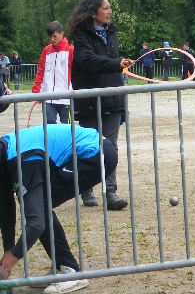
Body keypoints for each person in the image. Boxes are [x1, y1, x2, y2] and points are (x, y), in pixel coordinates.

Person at [0, 124, 117, 293]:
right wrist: (8, 250)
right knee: (40, 205)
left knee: (40, 206)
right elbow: (5, 208)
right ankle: (61, 267)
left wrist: (9, 262)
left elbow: (36, 224)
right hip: (82, 151)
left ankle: (71, 272)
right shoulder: (5, 156)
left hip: (95, 153)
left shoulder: (23, 161)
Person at [67, 0, 132, 210]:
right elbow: (87, 60)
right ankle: (86, 188)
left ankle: (110, 192)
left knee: (111, 146)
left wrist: (120, 64)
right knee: (91, 146)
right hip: (89, 99)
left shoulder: (112, 32)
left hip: (113, 98)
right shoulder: (81, 35)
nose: (110, 11)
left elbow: (111, 61)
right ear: (94, 12)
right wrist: (116, 63)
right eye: (106, 8)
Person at [32, 21, 74, 124]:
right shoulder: (46, 50)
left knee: (66, 128)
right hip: (48, 96)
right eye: (50, 37)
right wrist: (37, 90)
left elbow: (77, 73)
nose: (52, 39)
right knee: (49, 126)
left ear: (61, 34)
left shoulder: (70, 50)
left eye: (54, 36)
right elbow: (40, 70)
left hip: (66, 97)